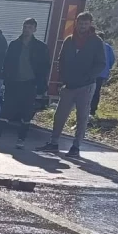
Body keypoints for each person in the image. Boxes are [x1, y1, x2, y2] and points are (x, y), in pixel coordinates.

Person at [38, 11, 105, 159]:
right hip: (68, 85)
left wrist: (89, 76)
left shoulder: (96, 41)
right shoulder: (69, 40)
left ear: (90, 24)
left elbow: (101, 64)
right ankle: (54, 143)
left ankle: (76, 146)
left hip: (86, 86)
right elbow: (61, 60)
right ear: (76, 23)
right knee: (60, 115)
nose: (83, 26)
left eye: (86, 24)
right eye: (81, 23)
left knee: (82, 117)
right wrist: (63, 77)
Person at [0, 17, 50, 150]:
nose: (27, 30)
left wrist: (40, 83)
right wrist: (6, 78)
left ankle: (21, 139)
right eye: (25, 27)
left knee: (26, 114)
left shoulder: (40, 47)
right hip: (14, 83)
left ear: (35, 30)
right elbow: (7, 62)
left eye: (30, 27)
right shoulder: (14, 45)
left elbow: (45, 66)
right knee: (5, 112)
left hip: (30, 84)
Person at [90, 33, 116, 117]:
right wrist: (107, 68)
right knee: (96, 91)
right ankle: (92, 110)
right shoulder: (108, 48)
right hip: (102, 73)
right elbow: (112, 60)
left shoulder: (92, 46)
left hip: (91, 73)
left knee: (88, 90)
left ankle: (85, 108)